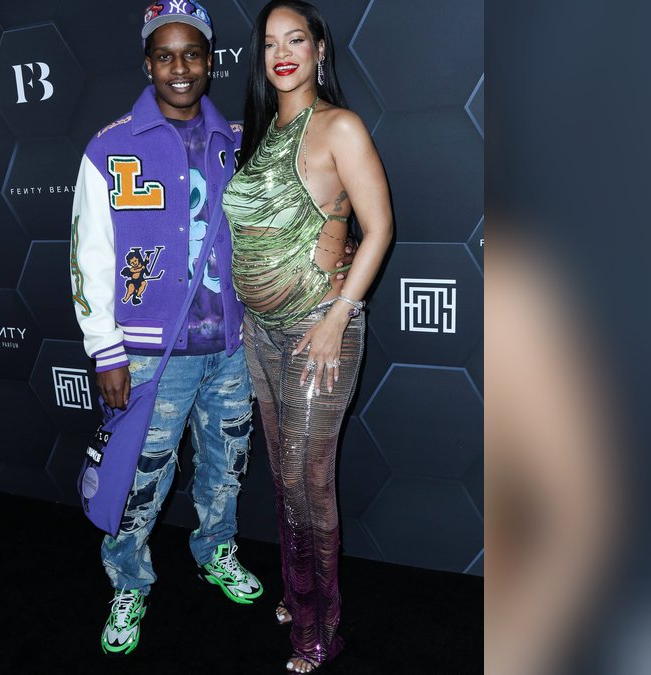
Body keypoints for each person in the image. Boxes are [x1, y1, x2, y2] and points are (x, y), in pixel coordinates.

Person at [69, 1, 263, 657]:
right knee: (138, 482)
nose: (179, 68)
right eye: (165, 54)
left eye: (192, 54)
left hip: (232, 350)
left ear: (211, 61)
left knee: (225, 468)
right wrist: (107, 352)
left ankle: (216, 551)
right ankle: (128, 581)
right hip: (153, 356)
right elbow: (89, 258)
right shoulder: (109, 145)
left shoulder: (239, 140)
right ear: (147, 61)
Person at [221, 1, 393, 671]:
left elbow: (378, 228)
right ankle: (299, 590)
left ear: (321, 48)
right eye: (270, 42)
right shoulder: (263, 133)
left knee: (306, 482)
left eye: (296, 38)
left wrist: (338, 314)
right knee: (283, 478)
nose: (282, 51)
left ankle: (320, 624)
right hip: (261, 334)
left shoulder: (338, 127)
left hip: (318, 329)